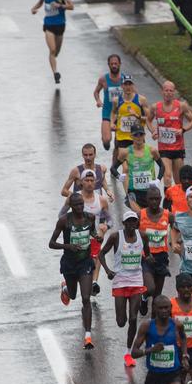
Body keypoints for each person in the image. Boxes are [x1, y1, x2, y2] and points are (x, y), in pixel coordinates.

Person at [100, 210, 150, 367]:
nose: (131, 224)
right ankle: (131, 312)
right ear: (124, 223)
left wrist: (151, 261)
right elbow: (101, 254)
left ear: (137, 223)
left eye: (134, 221)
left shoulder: (143, 236)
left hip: (136, 281)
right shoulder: (116, 237)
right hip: (120, 282)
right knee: (121, 322)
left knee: (133, 318)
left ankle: (128, 352)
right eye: (129, 221)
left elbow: (147, 254)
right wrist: (108, 271)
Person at [48, 193, 97, 348]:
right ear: (71, 206)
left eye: (81, 204)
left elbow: (92, 232)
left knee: (86, 298)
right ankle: (66, 288)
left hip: (85, 262)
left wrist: (97, 237)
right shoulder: (64, 221)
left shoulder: (90, 218)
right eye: (76, 205)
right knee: (74, 295)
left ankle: (88, 336)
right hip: (69, 263)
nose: (80, 207)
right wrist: (68, 246)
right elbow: (51, 243)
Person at [31, 0, 73, 84]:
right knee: (52, 50)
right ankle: (55, 73)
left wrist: (60, 5)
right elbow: (40, 3)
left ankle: (54, 60)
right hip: (48, 24)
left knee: (56, 52)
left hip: (60, 24)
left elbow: (71, 6)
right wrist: (34, 9)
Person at [152, 81, 192, 184]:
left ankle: (177, 194)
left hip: (178, 148)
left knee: (179, 181)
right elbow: (148, 120)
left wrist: (183, 130)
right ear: (162, 92)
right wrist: (153, 130)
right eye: (166, 90)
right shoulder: (156, 107)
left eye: (171, 91)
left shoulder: (181, 106)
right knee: (167, 176)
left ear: (174, 92)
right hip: (164, 149)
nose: (168, 93)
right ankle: (167, 194)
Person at [138, 186, 173, 315]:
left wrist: (176, 243)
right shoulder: (140, 215)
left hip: (161, 258)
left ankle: (154, 322)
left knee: (157, 296)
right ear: (146, 199)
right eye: (151, 199)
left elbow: (176, 230)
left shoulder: (168, 215)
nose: (154, 202)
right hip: (146, 257)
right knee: (150, 288)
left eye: (157, 199)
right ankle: (144, 297)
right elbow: (130, 234)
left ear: (160, 199)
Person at [112, 127, 165, 212]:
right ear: (131, 136)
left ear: (144, 135)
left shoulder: (152, 150)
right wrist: (118, 176)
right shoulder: (126, 152)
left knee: (150, 216)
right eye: (136, 135)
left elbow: (162, 166)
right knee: (139, 215)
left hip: (149, 191)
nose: (138, 137)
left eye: (141, 134)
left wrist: (158, 180)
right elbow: (113, 168)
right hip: (133, 192)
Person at [109, 75, 151, 172]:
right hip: (122, 137)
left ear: (133, 85)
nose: (128, 87)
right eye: (125, 84)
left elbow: (149, 118)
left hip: (137, 137)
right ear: (122, 86)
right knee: (126, 168)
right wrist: (112, 123)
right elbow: (113, 112)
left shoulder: (141, 100)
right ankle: (124, 180)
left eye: (130, 84)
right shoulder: (116, 100)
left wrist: (137, 116)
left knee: (138, 166)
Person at [60, 144, 114, 213]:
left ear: (95, 154)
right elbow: (64, 191)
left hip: (97, 208)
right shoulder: (76, 171)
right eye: (85, 155)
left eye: (90, 155)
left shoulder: (102, 169)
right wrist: (77, 197)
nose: (88, 158)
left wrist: (108, 191)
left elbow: (102, 181)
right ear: (82, 155)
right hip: (81, 210)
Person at [93, 54, 124, 151]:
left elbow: (134, 93)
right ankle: (105, 139)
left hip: (122, 113)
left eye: (116, 63)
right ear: (108, 65)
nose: (114, 66)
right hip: (107, 112)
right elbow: (96, 92)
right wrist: (98, 101)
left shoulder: (125, 80)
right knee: (107, 140)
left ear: (120, 64)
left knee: (120, 143)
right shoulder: (103, 79)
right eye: (112, 64)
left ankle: (117, 148)